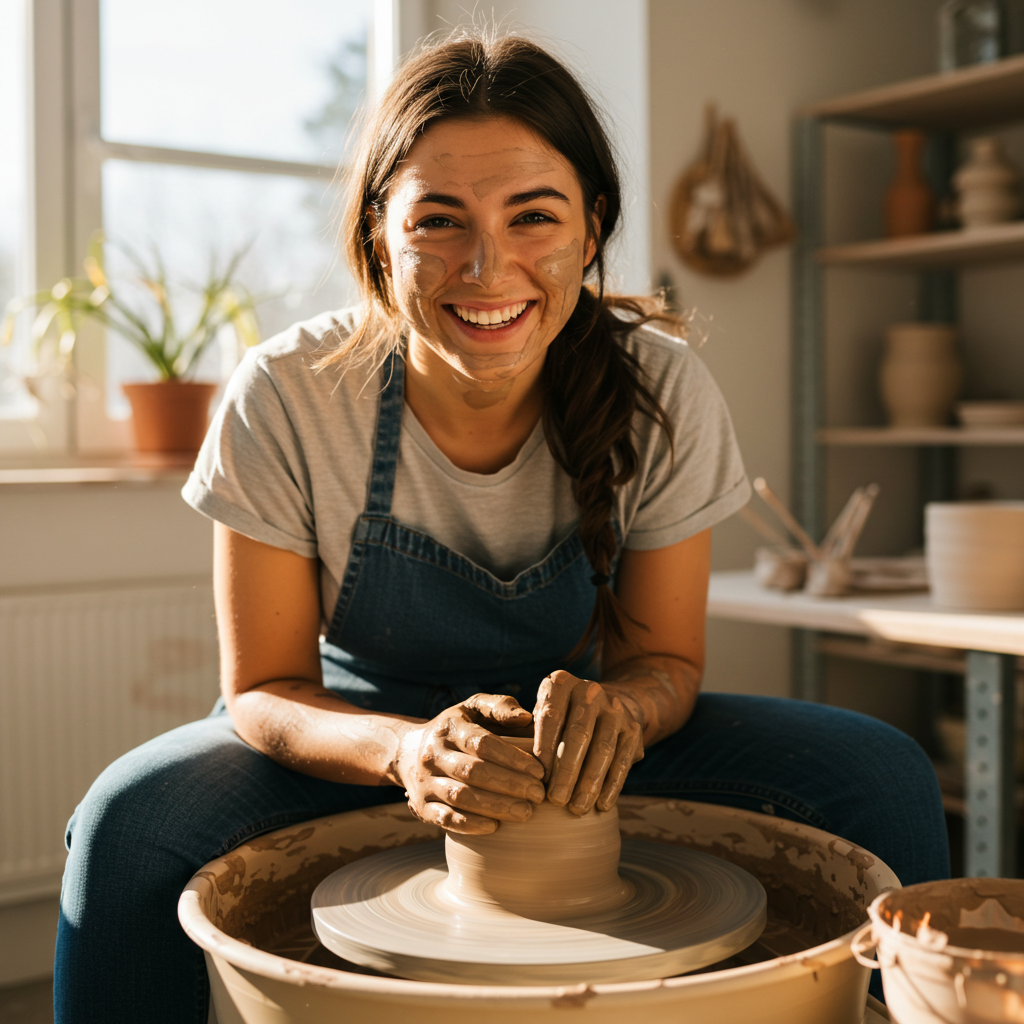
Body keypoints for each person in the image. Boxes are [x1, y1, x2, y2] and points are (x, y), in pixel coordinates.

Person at [54, 33, 949, 1023]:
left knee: (880, 775)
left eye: (534, 216)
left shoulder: (661, 388)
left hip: (587, 739)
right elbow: (265, 690)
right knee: (126, 826)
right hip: (358, 736)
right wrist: (404, 753)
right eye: (439, 221)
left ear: (591, 226)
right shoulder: (286, 394)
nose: (487, 268)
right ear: (375, 236)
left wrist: (627, 710)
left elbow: (666, 664)